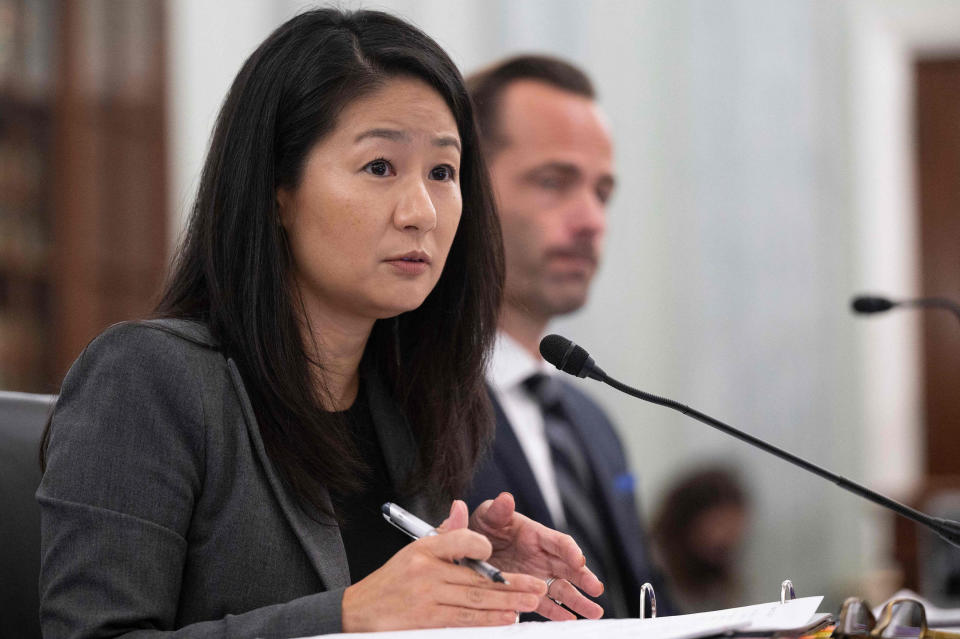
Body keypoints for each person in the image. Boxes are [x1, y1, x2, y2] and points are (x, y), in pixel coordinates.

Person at [36, 10, 605, 638]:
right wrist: (349, 617)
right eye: (381, 167)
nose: (422, 211)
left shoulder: (416, 405)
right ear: (278, 188)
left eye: (443, 172)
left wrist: (474, 583)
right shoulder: (148, 379)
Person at [465, 55, 671, 618]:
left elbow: (653, 610)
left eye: (602, 192)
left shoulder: (592, 424)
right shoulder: (398, 402)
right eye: (554, 182)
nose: (591, 220)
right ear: (459, 185)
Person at [651, 466, 750, 613]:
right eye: (721, 525)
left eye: (734, 529)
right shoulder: (652, 570)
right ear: (689, 520)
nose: (727, 539)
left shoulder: (718, 579)